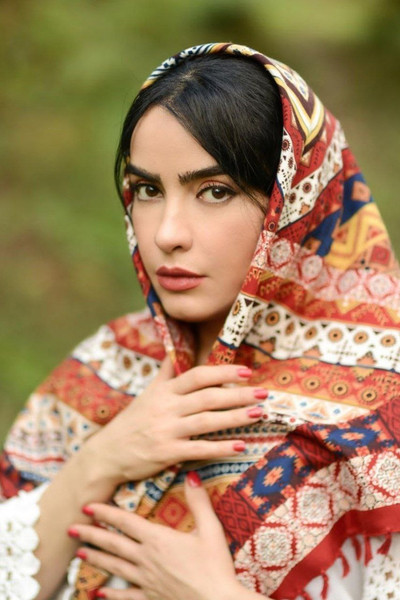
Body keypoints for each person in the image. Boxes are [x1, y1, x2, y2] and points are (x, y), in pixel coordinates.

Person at [1, 42, 400, 600]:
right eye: (147, 190)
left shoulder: (386, 403)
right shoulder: (106, 365)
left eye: (215, 191)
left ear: (294, 203)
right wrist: (102, 459)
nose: (167, 233)